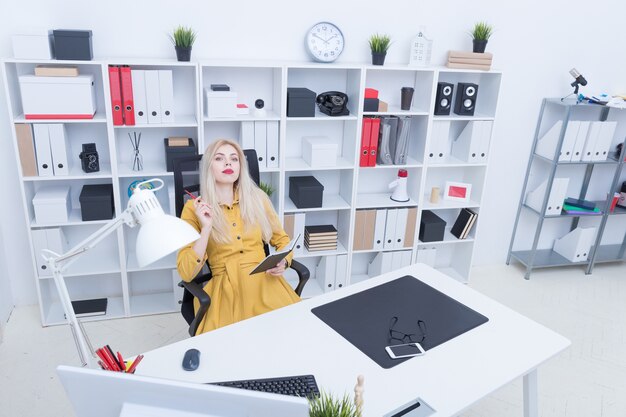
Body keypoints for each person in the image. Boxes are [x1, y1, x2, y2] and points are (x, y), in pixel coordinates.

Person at [177, 139, 299, 335]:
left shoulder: (257, 199)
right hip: (226, 288)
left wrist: (284, 261)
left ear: (240, 167)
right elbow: (186, 272)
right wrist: (206, 228)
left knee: (290, 336)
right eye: (219, 158)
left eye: (234, 159)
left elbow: (282, 240)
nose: (228, 164)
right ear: (209, 166)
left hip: (265, 281)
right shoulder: (193, 208)